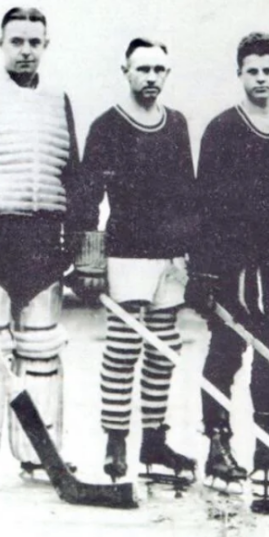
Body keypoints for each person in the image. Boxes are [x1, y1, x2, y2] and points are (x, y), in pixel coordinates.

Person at [0, 7, 80, 480]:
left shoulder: (59, 98)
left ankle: (38, 453)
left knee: (41, 348)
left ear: (46, 44)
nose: (26, 50)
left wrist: (82, 245)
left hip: (42, 238)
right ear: (0, 42)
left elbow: (74, 173)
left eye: (34, 41)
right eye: (17, 41)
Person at [187, 32, 269, 501]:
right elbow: (205, 202)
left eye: (268, 70)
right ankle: (217, 443)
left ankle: (268, 445)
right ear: (239, 74)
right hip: (233, 262)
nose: (260, 78)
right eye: (252, 71)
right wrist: (206, 270)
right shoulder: (223, 128)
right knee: (227, 350)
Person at [73, 38, 198, 482]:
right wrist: (88, 260)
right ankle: (115, 441)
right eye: (143, 69)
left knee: (164, 351)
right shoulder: (106, 126)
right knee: (124, 350)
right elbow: (88, 196)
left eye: (159, 70)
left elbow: (188, 191)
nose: (151, 78)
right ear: (125, 69)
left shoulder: (177, 123)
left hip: (169, 257)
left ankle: (154, 442)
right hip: (126, 252)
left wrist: (189, 252)